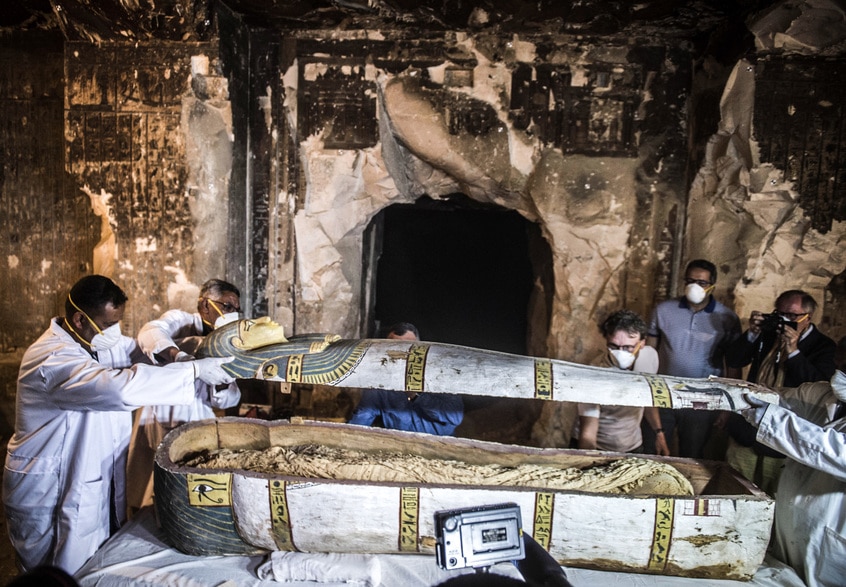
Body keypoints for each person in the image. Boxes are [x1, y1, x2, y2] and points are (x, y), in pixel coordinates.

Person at [2, 275, 233, 575]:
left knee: (94, 563)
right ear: (79, 319)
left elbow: (141, 348)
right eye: (108, 324)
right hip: (49, 487)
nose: (114, 331)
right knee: (49, 574)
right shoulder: (50, 358)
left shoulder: (98, 342)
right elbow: (117, 389)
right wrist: (193, 371)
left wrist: (182, 350)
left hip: (90, 476)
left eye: (117, 323)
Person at [126, 278, 243, 512]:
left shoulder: (227, 340)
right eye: (227, 307)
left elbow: (227, 398)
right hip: (163, 413)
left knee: (189, 489)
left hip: (198, 416)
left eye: (237, 309)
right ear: (205, 305)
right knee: (151, 486)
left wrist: (223, 381)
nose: (233, 314)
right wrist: (180, 357)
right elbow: (151, 333)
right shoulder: (180, 321)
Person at [738, 335, 846, 587]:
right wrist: (738, 393)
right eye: (840, 364)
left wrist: (771, 420)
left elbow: (836, 451)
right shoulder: (822, 394)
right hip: (793, 527)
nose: (839, 373)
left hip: (831, 544)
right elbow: (779, 398)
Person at [723, 290, 836, 493]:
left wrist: (793, 351)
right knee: (733, 488)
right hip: (747, 431)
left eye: (792, 316)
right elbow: (734, 359)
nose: (784, 320)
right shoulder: (767, 335)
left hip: (784, 441)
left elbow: (819, 387)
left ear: (807, 318)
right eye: (780, 314)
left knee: (771, 498)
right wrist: (752, 334)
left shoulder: (824, 346)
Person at [645, 259, 741, 457]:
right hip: (664, 394)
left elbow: (733, 364)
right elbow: (648, 353)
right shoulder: (663, 311)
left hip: (702, 399)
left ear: (712, 285)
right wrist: (647, 392)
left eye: (701, 283)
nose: (694, 287)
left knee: (693, 454)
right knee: (653, 450)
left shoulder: (727, 318)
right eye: (689, 281)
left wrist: (728, 407)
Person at [572, 310, 669, 455]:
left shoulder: (649, 358)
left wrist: (659, 433)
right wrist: (588, 460)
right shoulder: (594, 373)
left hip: (632, 444)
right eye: (614, 346)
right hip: (598, 446)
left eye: (628, 347)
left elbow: (648, 400)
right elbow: (588, 431)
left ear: (642, 343)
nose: (621, 353)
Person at [348, 322, 464, 435]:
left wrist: (416, 395)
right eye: (395, 348)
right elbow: (362, 418)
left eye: (408, 348)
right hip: (401, 447)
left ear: (420, 349)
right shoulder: (379, 382)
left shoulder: (440, 375)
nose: (402, 355)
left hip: (439, 446)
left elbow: (455, 417)